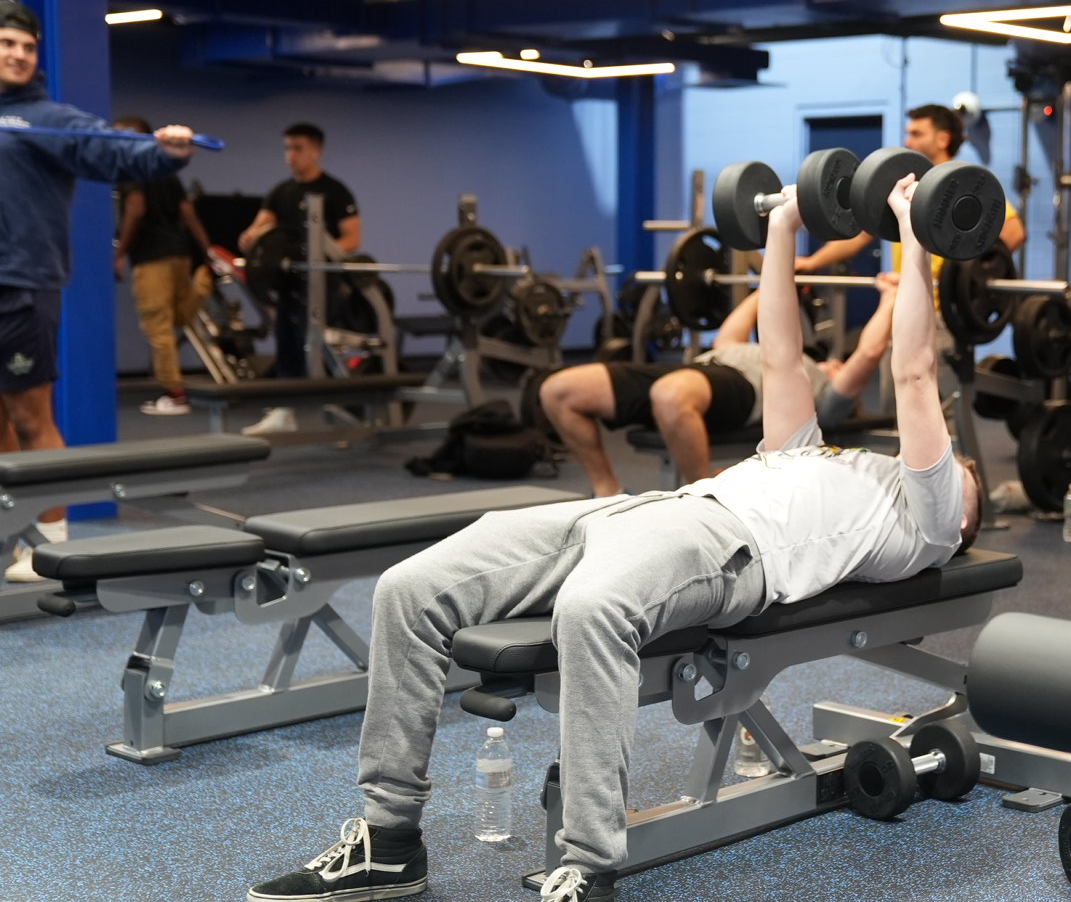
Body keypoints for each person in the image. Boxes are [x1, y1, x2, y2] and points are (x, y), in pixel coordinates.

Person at [247, 173, 984, 902]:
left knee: (590, 609)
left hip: (726, 544)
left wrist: (918, 240)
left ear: (960, 517)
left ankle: (589, 864)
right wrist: (782, 229)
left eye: (964, 476)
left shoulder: (928, 515)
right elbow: (781, 356)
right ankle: (389, 839)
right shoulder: (816, 452)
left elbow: (914, 372)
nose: (957, 467)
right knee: (410, 589)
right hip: (635, 511)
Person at [0, 0, 198, 583]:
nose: (16, 54)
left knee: (31, 414)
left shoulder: (47, 118)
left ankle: (49, 541)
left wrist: (164, 150)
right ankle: (14, 525)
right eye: (6, 43)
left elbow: (108, 148)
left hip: (24, 283)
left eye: (26, 47)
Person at [540, 273, 900, 497]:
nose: (837, 363)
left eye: (842, 367)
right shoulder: (765, 350)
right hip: (700, 371)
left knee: (669, 393)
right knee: (559, 391)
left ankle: (704, 497)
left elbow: (868, 353)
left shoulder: (821, 394)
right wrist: (776, 280)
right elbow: (729, 334)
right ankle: (609, 492)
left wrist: (889, 298)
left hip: (740, 390)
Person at [795, 105, 1026, 274]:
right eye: (908, 134)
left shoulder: (963, 186)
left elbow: (1014, 233)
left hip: (941, 309)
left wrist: (961, 276)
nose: (907, 142)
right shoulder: (901, 183)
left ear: (943, 139)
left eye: (917, 134)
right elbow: (863, 232)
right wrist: (812, 263)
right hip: (907, 294)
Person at [237, 123, 362, 435]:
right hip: (288, 282)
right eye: (287, 148)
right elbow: (260, 228)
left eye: (298, 148)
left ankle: (346, 415)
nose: (290, 155)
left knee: (323, 346)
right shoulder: (281, 192)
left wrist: (318, 255)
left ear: (316, 151)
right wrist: (252, 236)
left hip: (323, 282)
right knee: (287, 342)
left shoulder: (335, 191)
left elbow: (352, 239)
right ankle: (284, 412)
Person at [111, 115, 218, 417]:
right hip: (179, 253)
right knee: (178, 316)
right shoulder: (166, 170)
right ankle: (203, 281)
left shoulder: (131, 168)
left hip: (153, 257)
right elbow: (187, 212)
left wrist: (119, 252)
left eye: (126, 135)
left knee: (156, 325)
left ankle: (175, 394)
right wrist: (205, 251)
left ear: (146, 138)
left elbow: (136, 208)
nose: (120, 141)